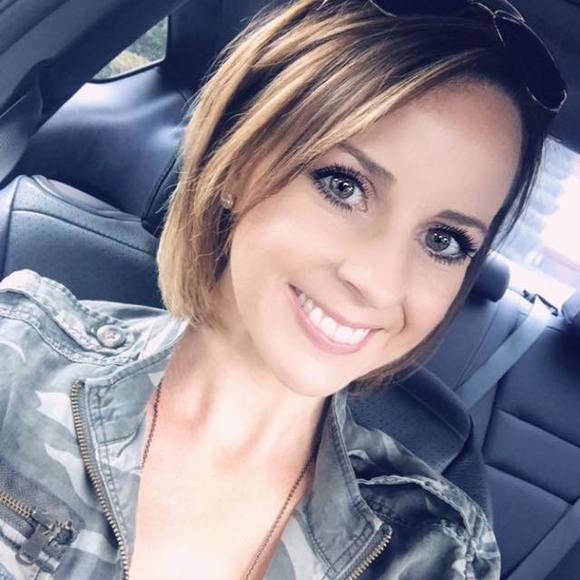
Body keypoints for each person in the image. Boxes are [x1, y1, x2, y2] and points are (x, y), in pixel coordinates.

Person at [0, 0, 566, 579]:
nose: (378, 282)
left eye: (444, 241)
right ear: (237, 161)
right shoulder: (16, 357)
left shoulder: (434, 551)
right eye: (344, 186)